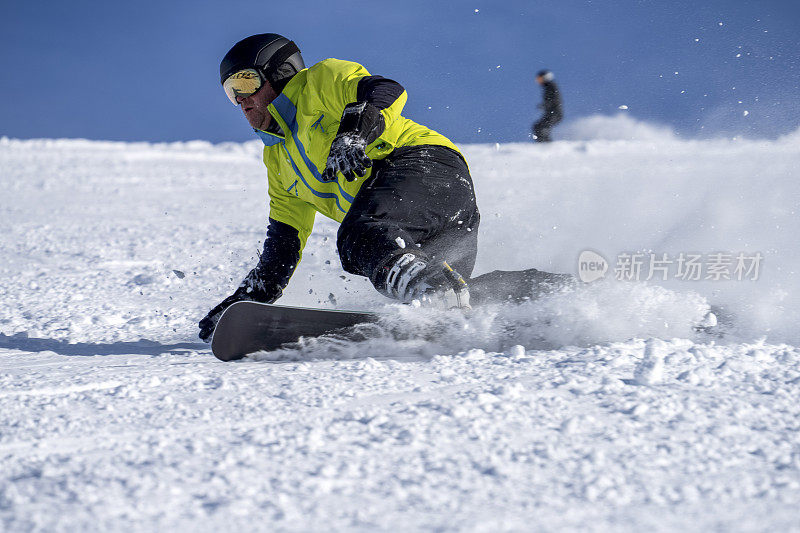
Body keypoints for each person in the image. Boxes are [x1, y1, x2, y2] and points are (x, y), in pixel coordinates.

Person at [199, 33, 480, 341]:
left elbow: (387, 90)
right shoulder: (277, 159)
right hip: (424, 221)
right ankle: (531, 292)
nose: (241, 99)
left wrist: (354, 133)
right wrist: (247, 300)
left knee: (360, 239)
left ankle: (435, 291)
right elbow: (284, 242)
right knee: (454, 287)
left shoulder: (318, 83)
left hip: (428, 167)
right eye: (231, 92)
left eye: (246, 83)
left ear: (279, 73)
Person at [532, 69, 563, 143]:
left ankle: (546, 144)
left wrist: (546, 105)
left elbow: (555, 99)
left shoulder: (551, 86)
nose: (538, 81)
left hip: (555, 113)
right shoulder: (548, 87)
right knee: (538, 126)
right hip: (551, 113)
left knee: (541, 127)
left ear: (545, 77)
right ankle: (543, 143)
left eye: (539, 78)